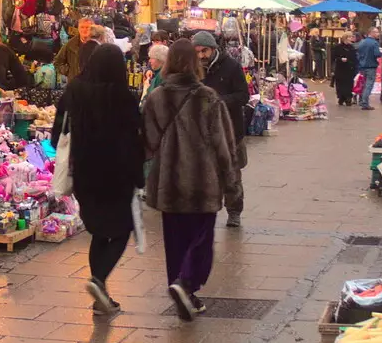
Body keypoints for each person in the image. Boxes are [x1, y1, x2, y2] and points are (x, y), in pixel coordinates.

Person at [143, 40, 239, 320]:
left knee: (174, 242)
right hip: (201, 182)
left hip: (169, 182)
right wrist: (230, 181)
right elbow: (224, 145)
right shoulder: (208, 97)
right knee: (201, 240)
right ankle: (187, 284)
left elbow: (147, 143)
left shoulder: (156, 97)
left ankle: (181, 288)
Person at [53, 45, 145, 315]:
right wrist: (139, 177)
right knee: (121, 230)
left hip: (84, 174)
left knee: (98, 232)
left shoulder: (74, 92)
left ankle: (100, 298)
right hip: (117, 176)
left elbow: (57, 132)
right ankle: (98, 281)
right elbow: (134, 143)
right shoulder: (124, 98)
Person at [193, 31, 248, 228]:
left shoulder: (231, 66)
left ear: (213, 49)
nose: (201, 56)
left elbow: (243, 96)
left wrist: (219, 102)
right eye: (197, 52)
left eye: (204, 51)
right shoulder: (194, 68)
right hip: (203, 132)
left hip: (230, 130)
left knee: (232, 175)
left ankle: (234, 212)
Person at [354, 31, 382, 110]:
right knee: (369, 85)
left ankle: (362, 101)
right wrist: (381, 53)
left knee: (363, 84)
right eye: (376, 32)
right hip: (371, 66)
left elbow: (358, 53)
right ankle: (365, 103)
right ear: (371, 33)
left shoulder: (362, 42)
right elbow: (377, 54)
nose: (378, 34)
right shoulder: (374, 43)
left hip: (362, 66)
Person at [330, 36, 358, 106]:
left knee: (349, 84)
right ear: (345, 38)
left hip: (349, 69)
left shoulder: (352, 47)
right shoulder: (337, 47)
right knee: (340, 84)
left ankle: (348, 98)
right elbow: (333, 57)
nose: (351, 39)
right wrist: (340, 59)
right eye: (349, 37)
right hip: (340, 68)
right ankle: (341, 98)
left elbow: (354, 58)